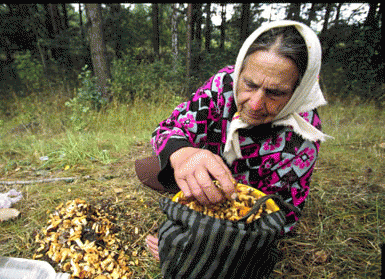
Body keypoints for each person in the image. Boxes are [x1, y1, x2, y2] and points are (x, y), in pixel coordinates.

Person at [135, 20, 333, 261]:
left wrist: (200, 247)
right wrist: (184, 154)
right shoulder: (225, 83)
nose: (255, 103)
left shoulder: (303, 136)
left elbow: (280, 221)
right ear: (240, 70)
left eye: (276, 93)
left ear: (299, 90)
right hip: (205, 167)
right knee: (145, 169)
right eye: (249, 84)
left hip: (251, 197)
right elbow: (169, 127)